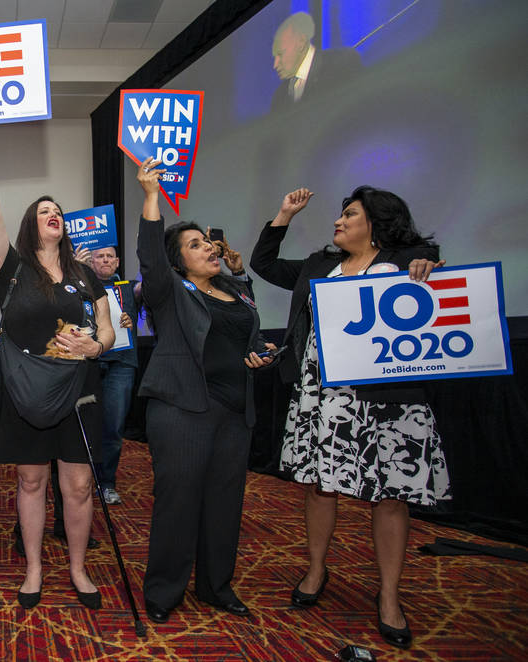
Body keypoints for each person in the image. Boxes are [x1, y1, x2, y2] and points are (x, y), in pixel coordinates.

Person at [249, 186, 449, 649]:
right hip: (324, 393)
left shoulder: (408, 262)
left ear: (376, 222)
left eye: (350, 214)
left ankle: (390, 596)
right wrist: (283, 214)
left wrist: (429, 270)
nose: (338, 221)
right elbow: (264, 265)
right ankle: (317, 569)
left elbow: (435, 283)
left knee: (391, 495)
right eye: (340, 215)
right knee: (320, 485)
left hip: (389, 396)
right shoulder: (321, 266)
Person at [0, 112, 115, 610]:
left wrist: (98, 346)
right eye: (44, 209)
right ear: (33, 221)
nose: (53, 213)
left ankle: (76, 568)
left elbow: (108, 326)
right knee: (31, 479)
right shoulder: (11, 266)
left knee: (78, 483)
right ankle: (33, 569)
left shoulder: (85, 272)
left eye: (59, 209)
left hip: (78, 388)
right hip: (25, 389)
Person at [134, 157, 274, 624]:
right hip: (183, 410)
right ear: (179, 261)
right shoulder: (170, 292)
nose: (208, 247)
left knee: (224, 504)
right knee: (179, 502)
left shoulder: (236, 292)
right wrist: (152, 197)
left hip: (236, 412)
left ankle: (216, 586)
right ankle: (164, 590)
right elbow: (152, 259)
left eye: (208, 241)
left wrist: (261, 353)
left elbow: (244, 340)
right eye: (195, 245)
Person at [87, 246, 140, 505]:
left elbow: (155, 288)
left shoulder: (130, 287)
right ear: (91, 260)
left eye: (110, 256)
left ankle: (106, 482)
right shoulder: (80, 284)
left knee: (114, 427)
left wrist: (133, 320)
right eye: (100, 256)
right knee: (84, 427)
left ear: (118, 262)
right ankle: (83, 482)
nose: (105, 260)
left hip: (122, 363)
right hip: (89, 361)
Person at [270, 11, 362, 112]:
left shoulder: (342, 63)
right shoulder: (280, 97)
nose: (275, 64)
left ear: (301, 42)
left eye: (280, 53)